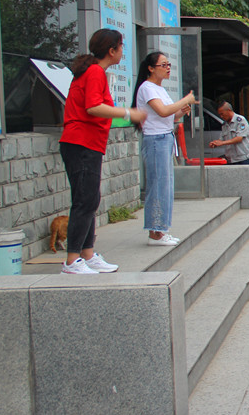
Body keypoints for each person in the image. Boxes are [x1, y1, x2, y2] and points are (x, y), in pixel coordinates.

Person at [59, 29, 147, 274]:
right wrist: (129, 113)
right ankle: (72, 260)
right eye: (121, 46)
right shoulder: (95, 71)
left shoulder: (92, 71)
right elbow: (93, 107)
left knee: (90, 199)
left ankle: (87, 254)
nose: (122, 51)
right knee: (84, 201)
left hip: (86, 143)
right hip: (81, 143)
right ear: (111, 50)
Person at [133, 52, 197, 246]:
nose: (168, 68)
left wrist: (181, 111)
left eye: (169, 64)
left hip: (165, 138)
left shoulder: (159, 89)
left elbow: (169, 115)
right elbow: (162, 111)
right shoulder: (147, 88)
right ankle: (155, 232)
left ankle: (161, 229)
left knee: (165, 185)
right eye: (163, 65)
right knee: (158, 185)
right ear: (151, 68)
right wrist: (185, 100)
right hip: (155, 139)